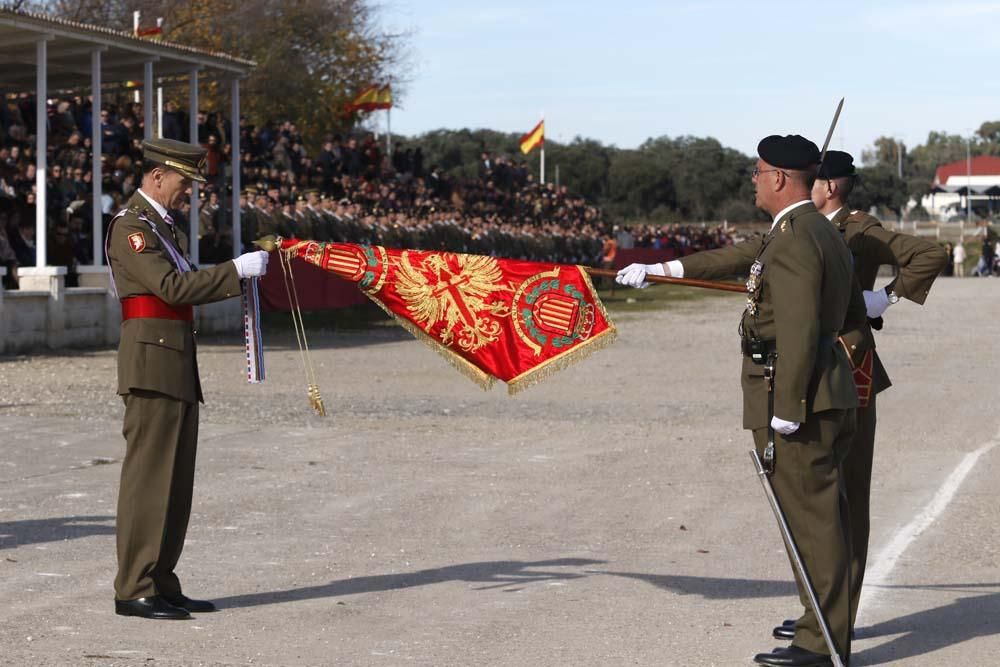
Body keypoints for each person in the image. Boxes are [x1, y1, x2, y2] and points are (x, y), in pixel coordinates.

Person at [617, 135, 858, 667]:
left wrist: (789, 407)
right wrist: (662, 270)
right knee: (814, 518)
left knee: (811, 521)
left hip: (801, 396)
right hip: (820, 390)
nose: (752, 180)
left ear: (777, 179)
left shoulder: (796, 238)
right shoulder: (804, 229)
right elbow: (737, 257)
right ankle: (818, 623)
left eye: (757, 172)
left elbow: (798, 328)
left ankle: (821, 645)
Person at [761, 150, 946, 642]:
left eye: (814, 182)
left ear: (829, 187)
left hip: (851, 366)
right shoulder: (804, 228)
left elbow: (930, 254)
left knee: (845, 494)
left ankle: (837, 615)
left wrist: (883, 297)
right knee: (818, 500)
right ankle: (819, 610)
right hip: (820, 366)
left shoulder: (857, 228)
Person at [107, 138, 269, 620]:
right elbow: (172, 288)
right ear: (157, 176)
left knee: (175, 482)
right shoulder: (132, 227)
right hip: (152, 363)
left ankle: (160, 579)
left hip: (173, 360)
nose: (188, 192)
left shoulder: (161, 227)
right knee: (148, 480)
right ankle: (134, 586)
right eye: (184, 182)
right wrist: (234, 272)